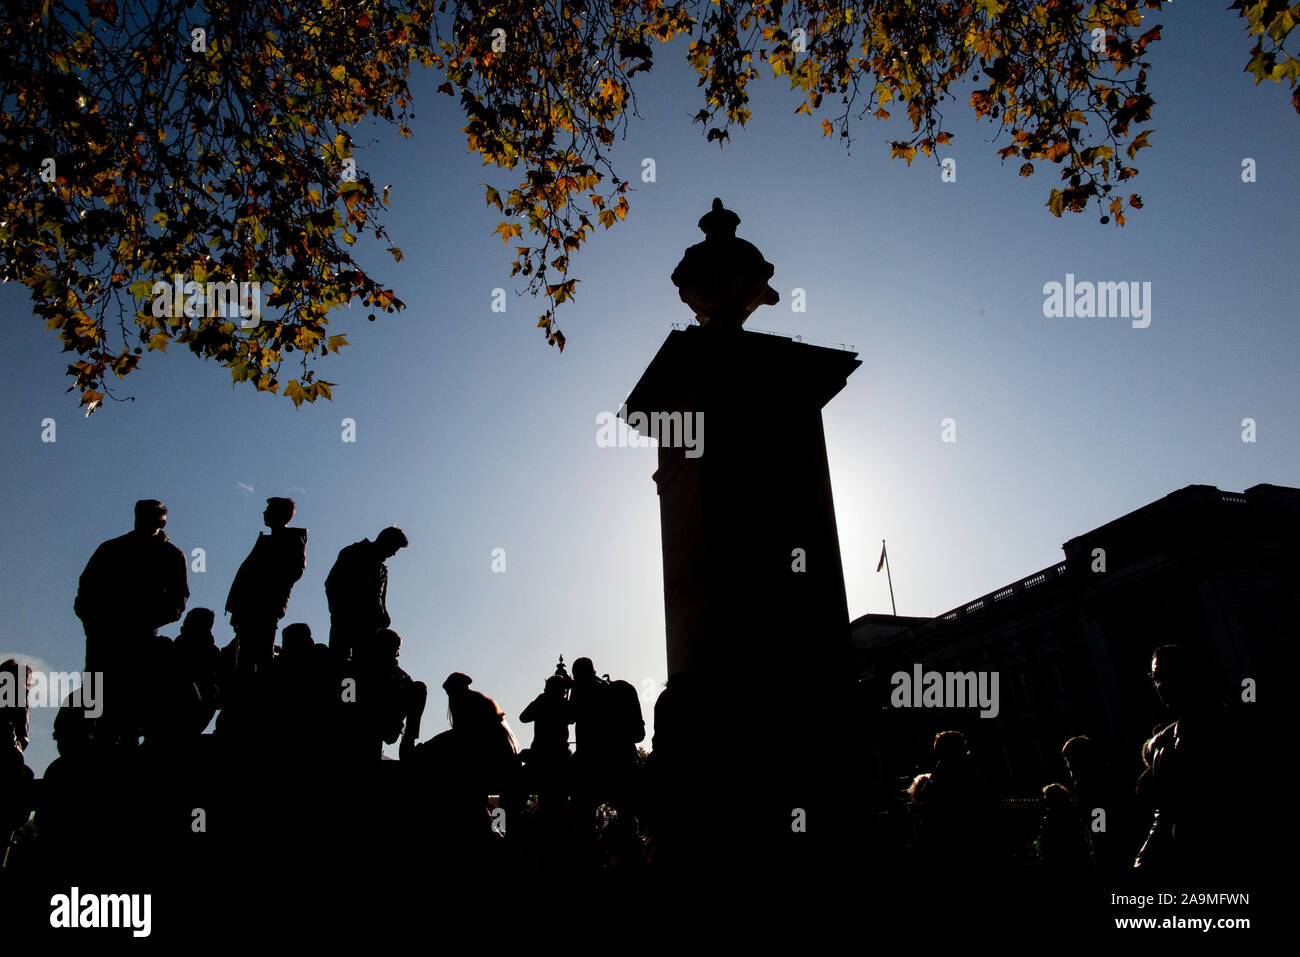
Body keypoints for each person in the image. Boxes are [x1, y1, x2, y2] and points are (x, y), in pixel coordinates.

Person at [74, 499, 188, 746]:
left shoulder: (171, 556)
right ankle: (89, 744)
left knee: (132, 695)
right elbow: (87, 588)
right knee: (95, 690)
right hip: (103, 636)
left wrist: (144, 622)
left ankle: (124, 743)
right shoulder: (111, 549)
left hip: (140, 637)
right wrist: (92, 621)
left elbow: (177, 601)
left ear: (161, 521)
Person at [225, 497, 307, 676]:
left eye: (269, 510)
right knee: (247, 657)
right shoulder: (270, 541)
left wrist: (266, 590)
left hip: (264, 607)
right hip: (250, 607)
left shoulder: (289, 541)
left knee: (259, 657)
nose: (264, 513)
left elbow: (294, 571)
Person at [324, 526, 408, 662]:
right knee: (339, 662)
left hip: (369, 629)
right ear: (386, 542)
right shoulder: (353, 553)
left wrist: (383, 615)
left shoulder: (383, 570)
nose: (394, 554)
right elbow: (333, 584)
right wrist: (340, 612)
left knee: (362, 668)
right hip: (346, 622)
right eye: (394, 549)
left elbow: (380, 598)